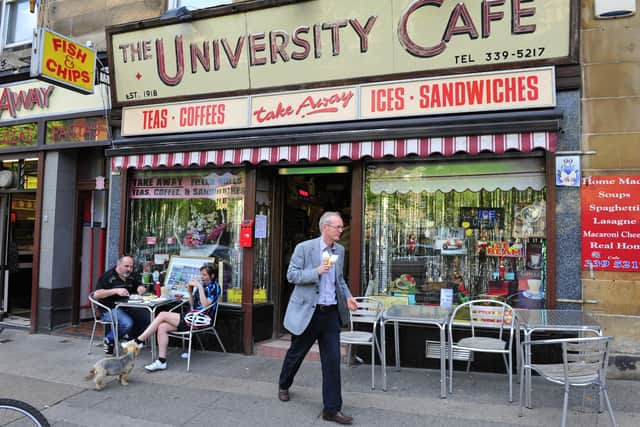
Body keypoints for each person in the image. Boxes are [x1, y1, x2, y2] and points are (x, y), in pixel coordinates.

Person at [278, 211, 358, 425]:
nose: (342, 230)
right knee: (296, 354)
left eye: (342, 227)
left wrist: (348, 297)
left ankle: (331, 409)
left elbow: (339, 279)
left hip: (331, 314)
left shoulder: (340, 250)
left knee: (332, 362)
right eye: (338, 227)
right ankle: (284, 383)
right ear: (326, 228)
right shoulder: (304, 248)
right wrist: (316, 271)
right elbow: (291, 275)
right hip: (308, 313)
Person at [129, 264, 221, 372]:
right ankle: (161, 361)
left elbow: (205, 306)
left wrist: (199, 287)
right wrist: (190, 292)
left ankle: (138, 341)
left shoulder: (215, 287)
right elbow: (192, 305)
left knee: (162, 314)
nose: (202, 277)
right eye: (201, 274)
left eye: (204, 275)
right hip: (191, 317)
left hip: (202, 320)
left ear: (213, 275)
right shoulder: (203, 285)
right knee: (162, 327)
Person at [94, 256, 147, 355]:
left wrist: (141, 288)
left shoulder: (132, 275)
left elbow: (140, 285)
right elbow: (96, 294)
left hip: (127, 306)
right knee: (127, 323)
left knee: (146, 316)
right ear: (118, 265)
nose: (129, 269)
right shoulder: (108, 276)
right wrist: (115, 291)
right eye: (126, 266)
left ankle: (131, 340)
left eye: (131, 267)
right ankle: (109, 340)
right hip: (109, 309)